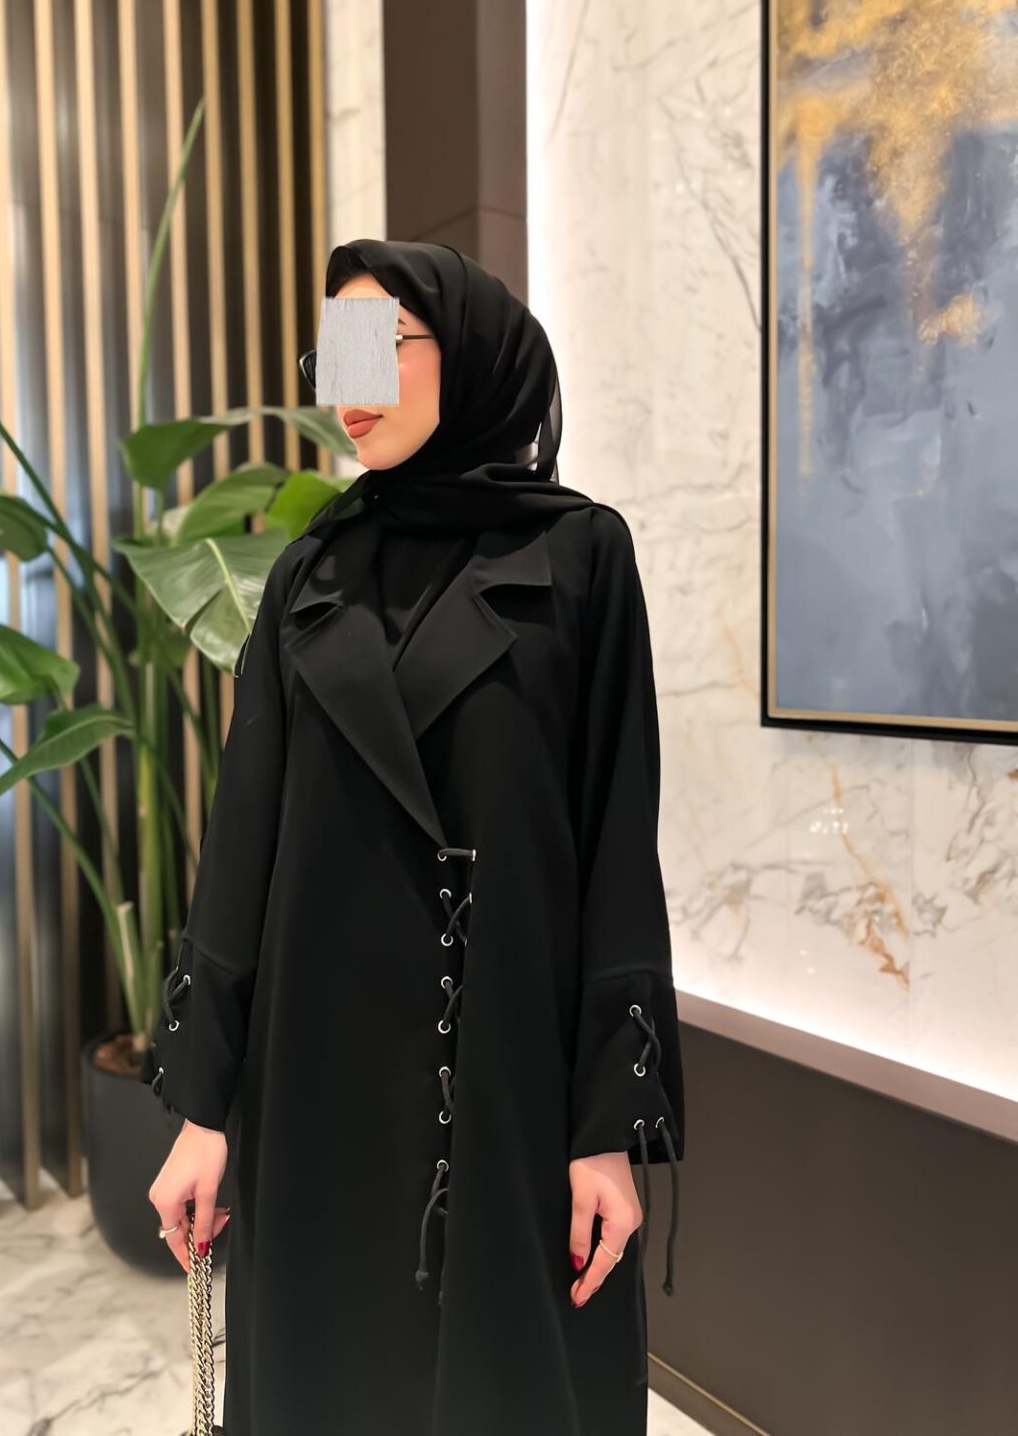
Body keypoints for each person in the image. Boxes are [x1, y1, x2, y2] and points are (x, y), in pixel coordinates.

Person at [142, 238, 685, 1435]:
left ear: (471, 349)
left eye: (378, 346)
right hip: (316, 1085)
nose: (349, 388)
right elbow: (244, 845)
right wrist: (204, 1108)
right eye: (330, 356)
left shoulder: (581, 559)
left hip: (505, 1074)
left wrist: (607, 1130)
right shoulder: (308, 575)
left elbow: (615, 847)